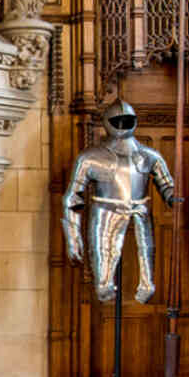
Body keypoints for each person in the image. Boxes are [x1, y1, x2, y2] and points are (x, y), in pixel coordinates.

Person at [63, 98, 176, 303]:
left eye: (127, 120)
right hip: (105, 214)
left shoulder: (149, 155)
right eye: (118, 120)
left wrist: (172, 197)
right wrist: (73, 237)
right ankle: (105, 285)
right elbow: (73, 198)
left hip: (140, 214)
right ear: (107, 122)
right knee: (103, 284)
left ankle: (145, 285)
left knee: (148, 283)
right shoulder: (90, 156)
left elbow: (166, 184)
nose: (122, 125)